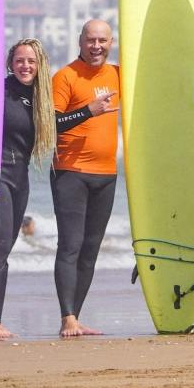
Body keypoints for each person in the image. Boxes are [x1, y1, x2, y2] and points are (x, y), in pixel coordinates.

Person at [49, 18, 120, 337]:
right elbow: (52, 124)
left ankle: (75, 316)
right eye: (91, 40)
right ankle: (67, 318)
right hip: (71, 172)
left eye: (102, 41)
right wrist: (88, 111)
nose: (96, 46)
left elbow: (158, 89)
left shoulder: (119, 74)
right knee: (71, 246)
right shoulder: (66, 76)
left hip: (106, 174)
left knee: (91, 248)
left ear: (111, 42)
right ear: (80, 41)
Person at [0, 38, 53, 339]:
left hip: (19, 175)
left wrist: (89, 110)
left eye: (31, 61)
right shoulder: (0, 90)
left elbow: (59, 121)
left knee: (6, 248)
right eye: (20, 60)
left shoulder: (40, 97)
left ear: (40, 66)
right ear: (10, 63)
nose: (25, 66)